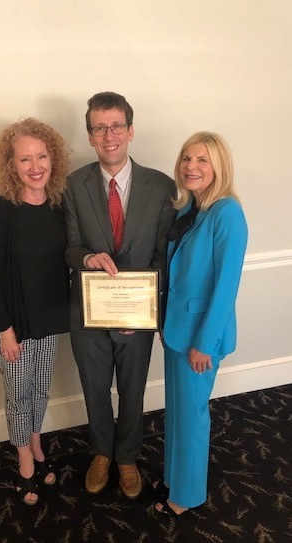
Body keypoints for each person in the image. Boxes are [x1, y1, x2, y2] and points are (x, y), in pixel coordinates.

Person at [64, 91, 176, 499]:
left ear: (130, 130)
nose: (108, 135)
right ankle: (101, 453)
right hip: (88, 313)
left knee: (132, 389)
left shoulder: (162, 186)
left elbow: (165, 255)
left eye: (116, 126)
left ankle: (127, 458)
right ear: (90, 136)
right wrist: (88, 256)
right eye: (99, 128)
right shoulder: (74, 185)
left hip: (137, 317)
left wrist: (143, 308)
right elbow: (69, 247)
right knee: (94, 388)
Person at [153, 131, 248, 516]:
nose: (191, 167)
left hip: (199, 338)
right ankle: (176, 476)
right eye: (187, 159)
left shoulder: (227, 213)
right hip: (176, 330)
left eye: (202, 160)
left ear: (218, 167)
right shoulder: (188, 209)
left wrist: (205, 344)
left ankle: (186, 496)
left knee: (192, 415)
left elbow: (226, 288)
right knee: (176, 410)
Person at [0, 118, 70, 506]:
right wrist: (5, 329)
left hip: (50, 318)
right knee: (18, 395)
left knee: (39, 390)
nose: (36, 166)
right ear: (11, 166)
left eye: (42, 156)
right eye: (25, 159)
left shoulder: (60, 206)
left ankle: (36, 444)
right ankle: (25, 465)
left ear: (54, 158)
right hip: (12, 323)